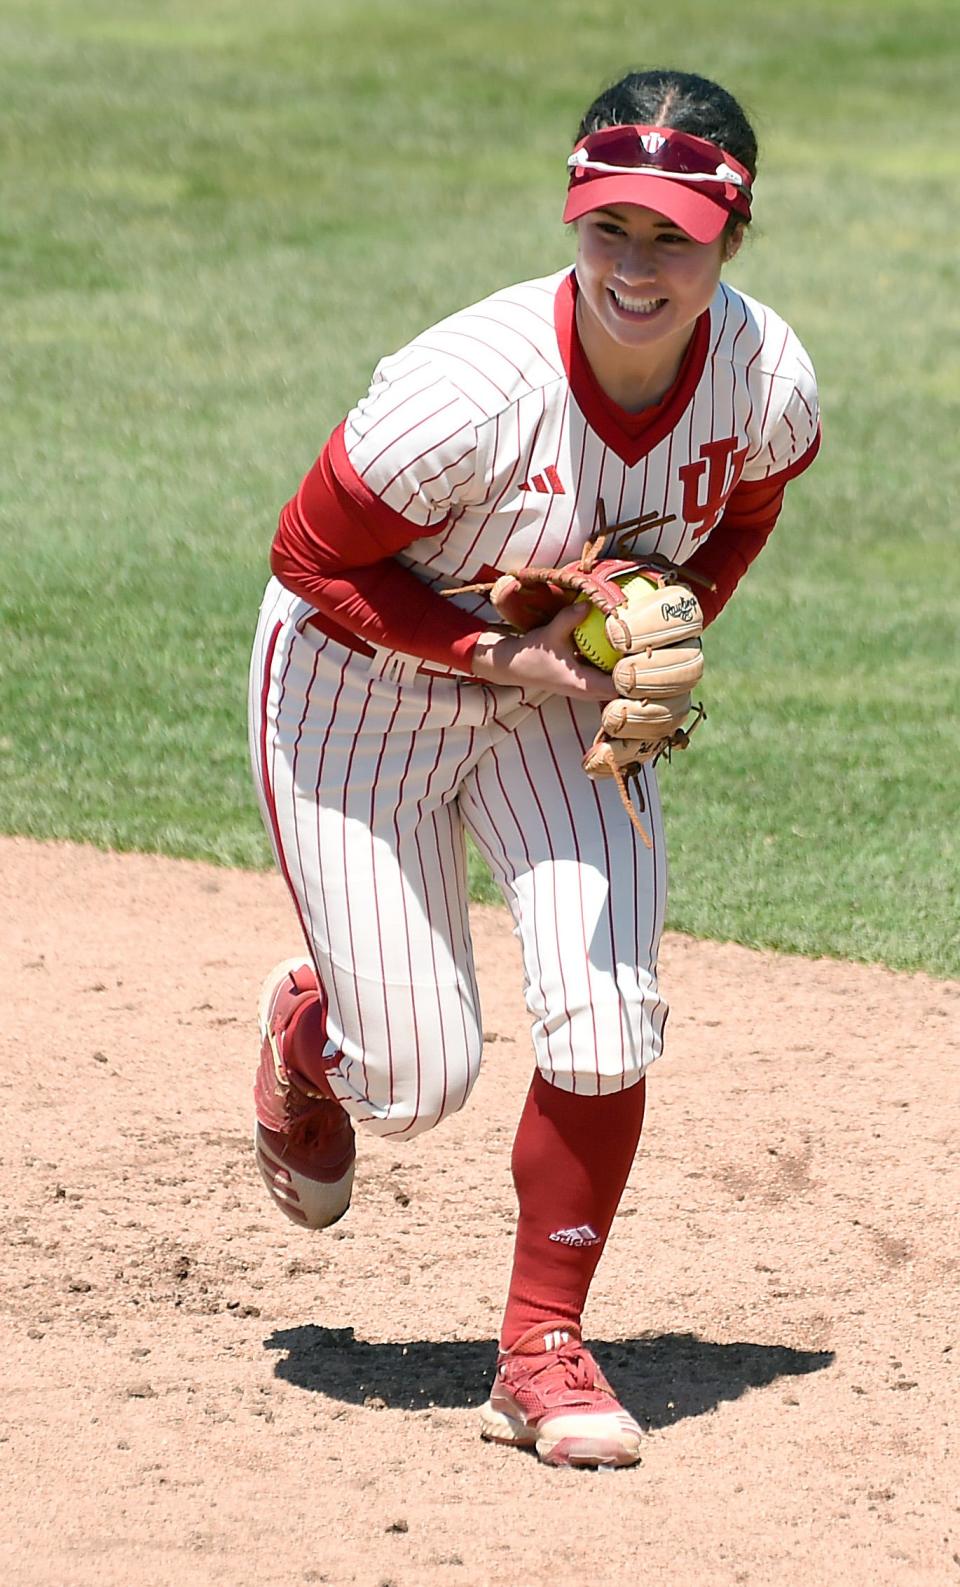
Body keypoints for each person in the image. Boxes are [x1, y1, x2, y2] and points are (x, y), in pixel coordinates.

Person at [247, 67, 820, 1469]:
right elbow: (312, 559)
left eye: (673, 237)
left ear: (729, 242)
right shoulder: (467, 389)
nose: (636, 266)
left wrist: (660, 622)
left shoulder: (765, 379)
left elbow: (745, 508)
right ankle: (312, 1028)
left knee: (606, 1015)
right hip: (357, 684)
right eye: (610, 228)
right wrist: (513, 657)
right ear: (574, 213)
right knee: (410, 1080)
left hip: (559, 695)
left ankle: (539, 1350)